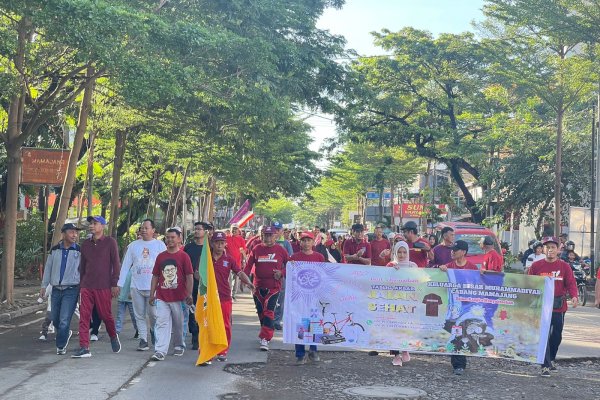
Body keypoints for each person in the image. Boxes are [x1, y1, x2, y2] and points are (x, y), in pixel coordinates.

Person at [529, 236, 578, 377]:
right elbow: (529, 284)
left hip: (559, 306)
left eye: (553, 247)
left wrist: (574, 296)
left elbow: (571, 283)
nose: (550, 250)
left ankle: (551, 359)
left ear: (558, 250)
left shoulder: (564, 266)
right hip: (542, 306)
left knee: (556, 335)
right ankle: (545, 365)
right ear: (543, 249)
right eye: (547, 247)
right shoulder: (536, 266)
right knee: (544, 334)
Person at [73, 216, 121, 358]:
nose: (92, 226)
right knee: (84, 317)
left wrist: (114, 283)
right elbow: (82, 266)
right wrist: (81, 284)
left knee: (105, 315)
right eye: (91, 223)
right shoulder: (86, 244)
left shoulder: (110, 242)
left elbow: (116, 264)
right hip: (87, 286)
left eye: (95, 223)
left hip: (103, 286)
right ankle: (84, 347)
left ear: (103, 226)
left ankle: (113, 336)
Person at [118, 219, 166, 351]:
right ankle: (143, 340)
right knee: (139, 314)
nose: (143, 230)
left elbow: (165, 265)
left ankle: (153, 331)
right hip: (136, 285)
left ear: (153, 230)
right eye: (142, 228)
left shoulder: (160, 245)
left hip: (153, 287)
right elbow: (126, 265)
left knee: (153, 315)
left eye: (146, 228)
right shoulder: (133, 246)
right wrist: (120, 284)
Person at [149, 227, 194, 361]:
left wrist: (189, 294)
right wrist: (152, 294)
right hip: (162, 296)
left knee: (179, 323)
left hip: (179, 298)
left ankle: (179, 345)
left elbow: (189, 276)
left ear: (179, 239)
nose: (170, 240)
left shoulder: (184, 256)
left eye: (173, 237)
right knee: (162, 322)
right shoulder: (161, 256)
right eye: (168, 237)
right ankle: (160, 350)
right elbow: (156, 276)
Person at [243, 226, 289, 351]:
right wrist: (245, 280)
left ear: (276, 236)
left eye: (270, 235)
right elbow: (248, 266)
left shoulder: (281, 250)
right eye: (265, 235)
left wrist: (281, 272)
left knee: (269, 311)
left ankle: (265, 338)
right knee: (261, 312)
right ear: (262, 236)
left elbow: (290, 264)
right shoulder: (257, 249)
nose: (268, 237)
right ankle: (266, 330)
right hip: (257, 287)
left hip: (274, 287)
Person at [211, 231, 254, 361]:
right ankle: (208, 351)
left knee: (225, 325)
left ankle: (222, 350)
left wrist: (249, 282)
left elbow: (239, 273)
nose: (219, 245)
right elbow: (197, 273)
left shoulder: (228, 259)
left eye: (222, 243)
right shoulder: (206, 259)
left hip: (224, 296)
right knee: (209, 325)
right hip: (209, 297)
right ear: (212, 244)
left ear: (225, 244)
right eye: (217, 242)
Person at [40, 223, 81, 355]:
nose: (74, 235)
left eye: (76, 232)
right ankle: (66, 333)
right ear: (63, 234)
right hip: (56, 289)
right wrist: (44, 286)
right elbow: (48, 268)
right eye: (71, 232)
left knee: (64, 319)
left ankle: (61, 345)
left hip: (71, 289)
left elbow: (84, 271)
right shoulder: (55, 249)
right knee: (55, 317)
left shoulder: (79, 251)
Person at [439, 240, 478, 375]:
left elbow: (479, 285)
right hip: (452, 307)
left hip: (467, 306)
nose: (453, 251)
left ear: (464, 252)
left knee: (459, 332)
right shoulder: (448, 266)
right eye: (452, 249)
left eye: (456, 249)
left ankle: (458, 364)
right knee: (452, 329)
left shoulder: (472, 268)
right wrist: (441, 270)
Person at [290, 232, 325, 365]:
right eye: (303, 240)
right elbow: (289, 275)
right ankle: (300, 353)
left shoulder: (319, 257)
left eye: (308, 240)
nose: (306, 243)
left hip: (315, 296)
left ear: (312, 242)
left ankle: (313, 350)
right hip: (300, 297)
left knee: (314, 323)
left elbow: (325, 274)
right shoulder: (294, 257)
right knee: (300, 324)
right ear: (300, 242)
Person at [384, 240, 417, 366]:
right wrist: (393, 271)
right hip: (394, 303)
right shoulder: (391, 265)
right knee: (394, 328)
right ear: (395, 252)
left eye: (404, 252)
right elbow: (384, 281)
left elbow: (418, 281)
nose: (402, 255)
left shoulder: (412, 266)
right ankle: (396, 355)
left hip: (409, 302)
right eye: (399, 252)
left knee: (406, 327)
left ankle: (405, 349)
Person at [184, 221, 210, 349]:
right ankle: (195, 335)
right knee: (192, 310)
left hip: (205, 285)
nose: (197, 231)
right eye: (196, 229)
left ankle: (203, 335)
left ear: (205, 231)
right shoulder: (188, 247)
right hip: (191, 285)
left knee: (204, 310)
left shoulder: (209, 247)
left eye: (199, 229)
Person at [226, 223, 248, 300]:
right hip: (227, 263)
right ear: (230, 229)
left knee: (236, 279)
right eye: (233, 229)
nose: (234, 231)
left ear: (238, 230)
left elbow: (244, 250)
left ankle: (233, 294)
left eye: (236, 229)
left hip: (237, 262)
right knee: (229, 278)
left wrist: (244, 257)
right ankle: (228, 293)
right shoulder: (226, 238)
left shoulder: (241, 239)